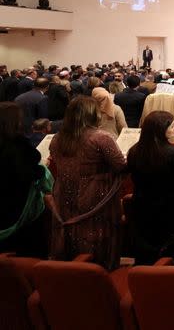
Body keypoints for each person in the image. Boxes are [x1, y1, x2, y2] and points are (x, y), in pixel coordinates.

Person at [49, 96, 127, 269]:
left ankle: (72, 273)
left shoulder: (57, 138)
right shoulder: (101, 138)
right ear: (92, 114)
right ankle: (96, 274)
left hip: (64, 192)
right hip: (95, 194)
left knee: (71, 232)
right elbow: (121, 166)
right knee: (94, 234)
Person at [127, 111, 174, 265]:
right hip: (172, 211)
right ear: (161, 129)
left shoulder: (134, 151)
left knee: (149, 259)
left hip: (143, 210)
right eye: (171, 126)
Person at [0, 102, 53, 258]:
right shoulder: (17, 146)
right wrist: (41, 170)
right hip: (19, 212)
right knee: (25, 260)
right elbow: (26, 174)